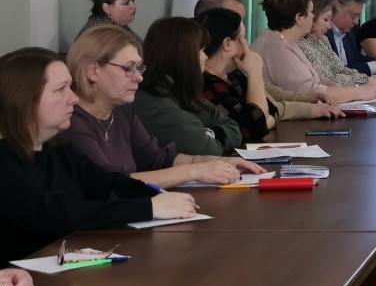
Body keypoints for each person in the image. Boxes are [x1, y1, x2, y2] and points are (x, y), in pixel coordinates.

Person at [0, 48, 196, 263]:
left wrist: (158, 196)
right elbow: (53, 214)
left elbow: (106, 183)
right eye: (61, 89)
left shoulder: (57, 148)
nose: (74, 98)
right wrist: (148, 207)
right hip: (24, 277)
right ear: (24, 100)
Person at [65, 25, 263, 187]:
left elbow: (157, 158)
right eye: (129, 68)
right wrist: (194, 171)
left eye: (139, 68)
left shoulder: (121, 111)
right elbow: (110, 183)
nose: (139, 77)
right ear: (93, 71)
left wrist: (214, 162)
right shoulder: (71, 119)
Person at [198, 7, 344, 143]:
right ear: (228, 44)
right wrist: (255, 72)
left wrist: (268, 118)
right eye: (242, 38)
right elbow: (256, 125)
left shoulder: (233, 74)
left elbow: (270, 108)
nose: (247, 44)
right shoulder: (205, 85)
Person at [132, 18, 243, 156]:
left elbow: (233, 129)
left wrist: (208, 133)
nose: (205, 57)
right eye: (202, 50)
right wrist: (207, 136)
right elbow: (207, 149)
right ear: (186, 56)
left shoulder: (178, 90)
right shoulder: (154, 102)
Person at [251, 0, 376, 103]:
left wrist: (337, 87)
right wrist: (358, 92)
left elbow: (317, 76)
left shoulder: (285, 40)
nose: (313, 16)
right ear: (299, 18)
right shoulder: (278, 48)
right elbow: (310, 92)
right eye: (311, 12)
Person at [298, 0, 376, 90]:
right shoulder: (300, 44)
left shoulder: (323, 40)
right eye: (326, 20)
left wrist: (372, 77)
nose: (329, 26)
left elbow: (341, 69)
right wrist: (371, 81)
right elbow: (329, 78)